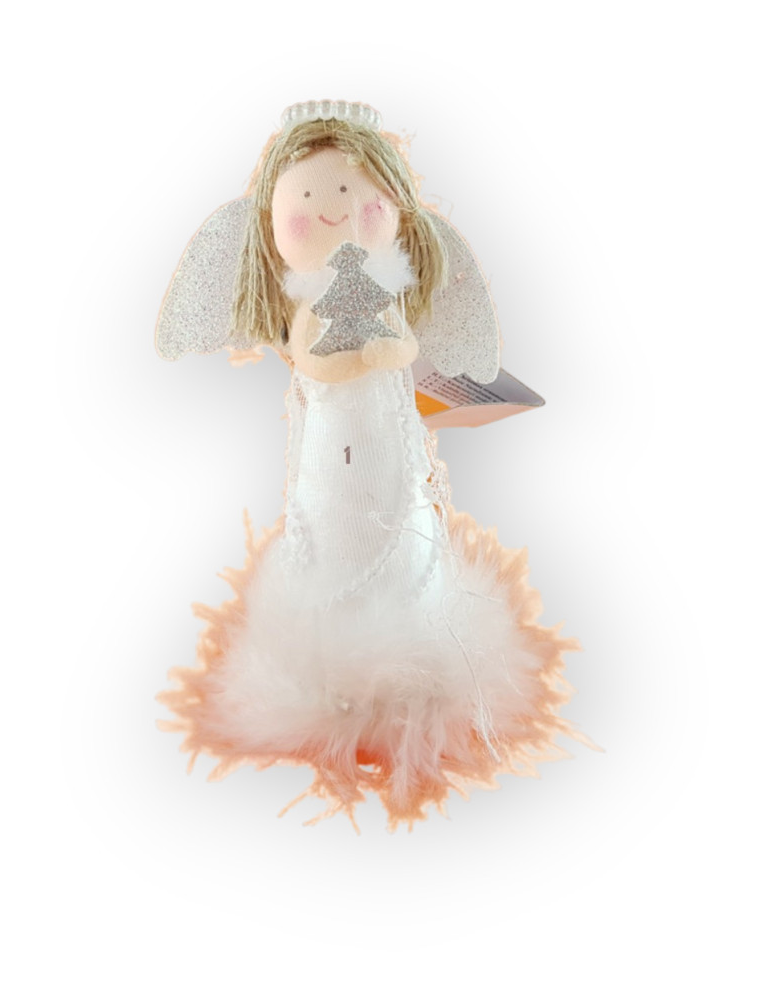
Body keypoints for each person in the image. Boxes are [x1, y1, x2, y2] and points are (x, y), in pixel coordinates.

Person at [158, 102, 584, 828]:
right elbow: (316, 362)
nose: (333, 208)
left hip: (388, 444)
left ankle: (416, 654)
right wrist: (370, 353)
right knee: (333, 528)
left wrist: (390, 347)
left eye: (352, 193)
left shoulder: (385, 293)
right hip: (332, 452)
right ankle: (330, 672)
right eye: (309, 197)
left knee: (401, 528)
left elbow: (402, 346)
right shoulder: (307, 306)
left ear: (394, 209)